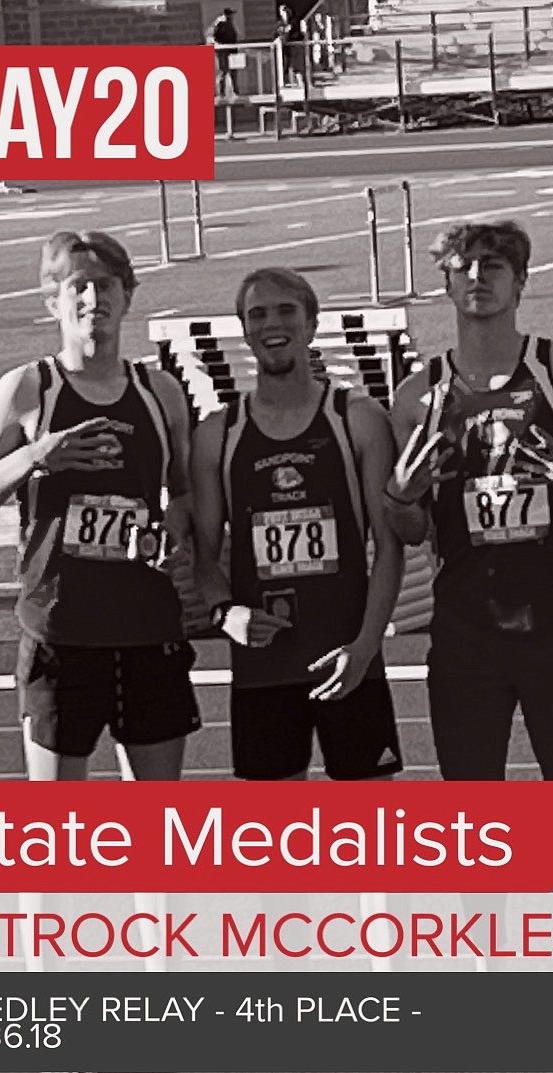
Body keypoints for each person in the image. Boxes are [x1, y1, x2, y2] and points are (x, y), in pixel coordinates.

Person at [384, 220, 553, 894]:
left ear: (520, 280)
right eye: (463, 266)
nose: (477, 277)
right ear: (446, 283)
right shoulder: (417, 396)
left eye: (493, 265)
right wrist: (402, 496)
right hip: (466, 642)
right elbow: (405, 529)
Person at [0, 229, 201, 784]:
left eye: (106, 286)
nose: (93, 300)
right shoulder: (28, 390)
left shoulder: (162, 394)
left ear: (128, 296)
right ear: (53, 302)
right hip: (61, 636)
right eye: (79, 287)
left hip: (148, 631)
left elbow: (182, 497)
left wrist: (181, 542)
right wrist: (36, 456)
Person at [191, 267, 404, 783]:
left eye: (286, 310)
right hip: (263, 673)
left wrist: (366, 646)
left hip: (349, 662)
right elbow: (203, 553)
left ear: (311, 324)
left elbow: (389, 547)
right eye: (257, 314)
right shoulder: (218, 434)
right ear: (244, 329)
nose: (271, 323)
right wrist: (225, 615)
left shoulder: (358, 419)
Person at [210, 7, 240, 99]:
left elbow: (233, 36)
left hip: (232, 50)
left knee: (234, 72)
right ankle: (221, 93)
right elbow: (214, 37)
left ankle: (236, 92)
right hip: (223, 51)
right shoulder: (220, 23)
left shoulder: (229, 23)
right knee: (223, 71)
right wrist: (221, 46)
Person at [275, 4, 306, 87]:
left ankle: (300, 83)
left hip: (295, 46)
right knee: (285, 64)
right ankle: (286, 83)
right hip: (285, 48)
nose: (284, 12)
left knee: (297, 65)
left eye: (285, 10)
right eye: (282, 11)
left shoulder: (294, 21)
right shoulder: (279, 23)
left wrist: (288, 29)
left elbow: (294, 30)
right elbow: (276, 33)